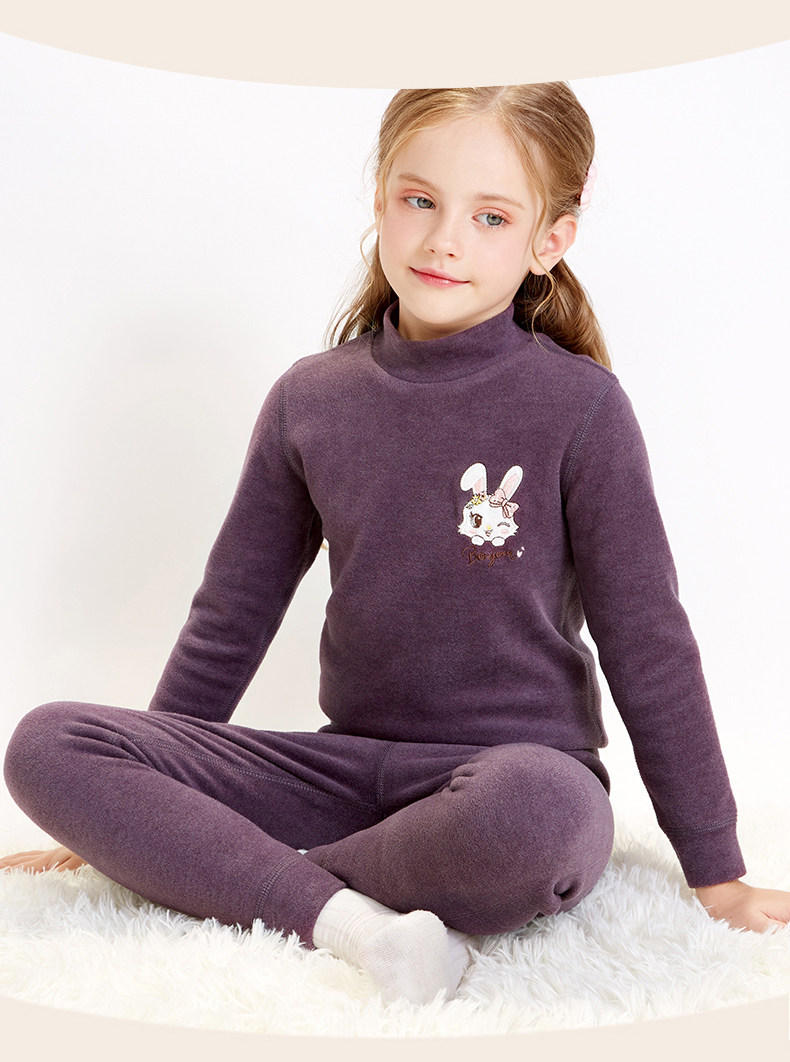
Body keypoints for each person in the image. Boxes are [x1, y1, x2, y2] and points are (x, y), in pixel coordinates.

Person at [2, 83, 789, 1007]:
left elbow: (649, 643)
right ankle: (345, 917)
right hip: (340, 772)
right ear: (380, 201)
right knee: (46, 743)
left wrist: (718, 873)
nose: (444, 239)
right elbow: (231, 614)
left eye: (490, 217)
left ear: (549, 241)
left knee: (538, 818)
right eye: (420, 200)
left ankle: (241, 874)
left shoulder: (581, 410)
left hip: (512, 780)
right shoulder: (311, 399)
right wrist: (142, 785)